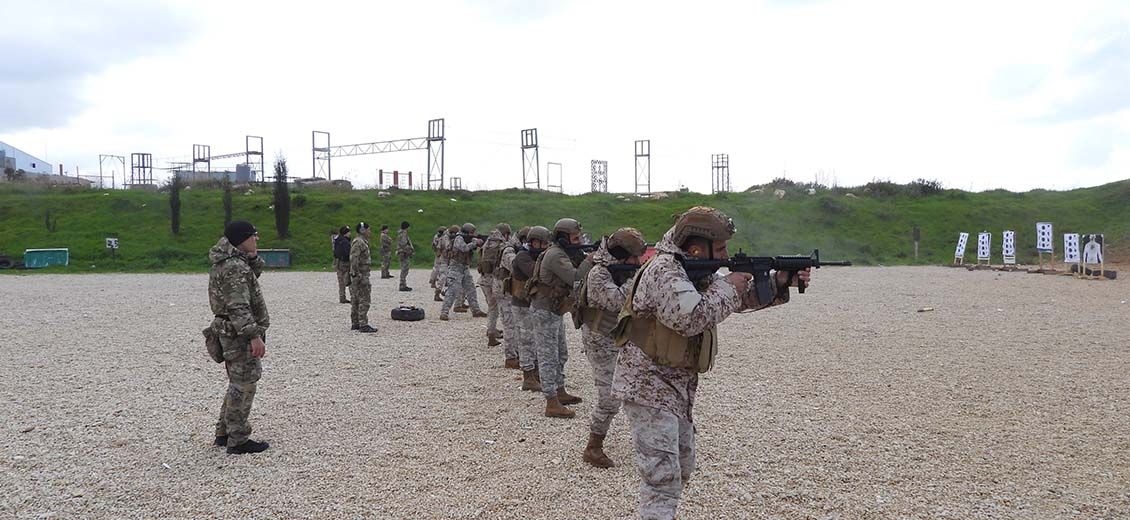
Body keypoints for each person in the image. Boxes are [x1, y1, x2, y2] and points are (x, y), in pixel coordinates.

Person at [610, 206, 809, 519]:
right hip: (647, 387)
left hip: (675, 390)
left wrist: (779, 282)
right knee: (661, 481)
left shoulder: (692, 269)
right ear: (696, 246)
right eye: (721, 247)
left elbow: (736, 300)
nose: (726, 254)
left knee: (682, 466)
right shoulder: (666, 270)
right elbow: (689, 318)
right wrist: (729, 284)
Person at [576, 227, 647, 468]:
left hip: (620, 336)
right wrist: (638, 281)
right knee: (609, 397)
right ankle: (593, 446)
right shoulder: (598, 273)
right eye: (634, 257)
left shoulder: (619, 270)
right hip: (600, 342)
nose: (638, 262)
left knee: (638, 388)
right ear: (619, 255)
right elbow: (615, 300)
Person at [207, 220, 270, 454]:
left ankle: (224, 432)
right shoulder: (234, 266)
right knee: (244, 383)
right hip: (238, 333)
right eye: (253, 236)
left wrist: (252, 256)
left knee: (237, 381)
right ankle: (238, 438)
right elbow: (238, 306)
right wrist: (254, 336)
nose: (257, 239)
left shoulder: (234, 262)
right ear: (242, 238)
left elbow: (253, 274)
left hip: (231, 330)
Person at [527, 218, 585, 418]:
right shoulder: (555, 255)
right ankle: (551, 401)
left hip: (554, 310)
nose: (578, 241)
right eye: (575, 238)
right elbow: (576, 277)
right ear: (564, 238)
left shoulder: (561, 253)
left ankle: (560, 391)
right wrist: (591, 260)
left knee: (561, 353)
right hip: (545, 311)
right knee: (548, 357)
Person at [508, 226, 542, 391]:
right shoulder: (522, 256)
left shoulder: (528, 254)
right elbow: (534, 272)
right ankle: (528, 376)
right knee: (526, 340)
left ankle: (535, 373)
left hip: (530, 304)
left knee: (534, 340)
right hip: (522, 304)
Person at [440, 223, 488, 320]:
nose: (473, 234)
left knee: (471, 289)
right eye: (471, 233)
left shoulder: (468, 238)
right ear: (467, 232)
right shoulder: (459, 238)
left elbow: (473, 245)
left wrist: (479, 242)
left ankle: (476, 310)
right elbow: (464, 248)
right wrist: (475, 243)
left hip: (465, 267)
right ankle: (444, 312)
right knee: (452, 290)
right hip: (455, 267)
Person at [495, 226, 526, 368]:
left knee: (515, 324)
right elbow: (515, 266)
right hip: (504, 291)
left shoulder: (515, 247)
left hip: (509, 290)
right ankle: (510, 358)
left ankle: (516, 353)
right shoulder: (509, 249)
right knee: (510, 324)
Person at [479, 223, 511, 346]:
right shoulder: (502, 245)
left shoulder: (487, 242)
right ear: (506, 233)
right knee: (495, 309)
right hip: (494, 281)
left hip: (483, 279)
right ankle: (491, 333)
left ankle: (491, 329)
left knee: (491, 307)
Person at [350, 222, 377, 333]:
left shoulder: (361, 242)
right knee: (364, 299)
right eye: (368, 229)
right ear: (362, 230)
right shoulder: (359, 242)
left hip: (360, 273)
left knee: (356, 298)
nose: (369, 232)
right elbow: (354, 259)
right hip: (361, 274)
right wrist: (357, 273)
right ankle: (363, 324)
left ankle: (356, 323)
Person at [332, 226, 352, 304]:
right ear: (345, 233)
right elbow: (348, 252)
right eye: (349, 232)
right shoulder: (345, 241)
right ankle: (353, 296)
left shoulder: (337, 240)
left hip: (338, 262)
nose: (350, 233)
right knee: (349, 280)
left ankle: (342, 297)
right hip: (346, 262)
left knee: (341, 281)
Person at [397, 221, 415, 291]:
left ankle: (403, 284)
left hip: (403, 253)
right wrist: (410, 251)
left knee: (404, 269)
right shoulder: (403, 234)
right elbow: (404, 244)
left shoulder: (401, 233)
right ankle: (402, 285)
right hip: (404, 253)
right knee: (404, 269)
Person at [429, 226, 446, 294]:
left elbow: (433, 245)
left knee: (435, 268)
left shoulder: (436, 236)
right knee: (441, 269)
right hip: (441, 254)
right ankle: (436, 282)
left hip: (437, 253)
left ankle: (433, 281)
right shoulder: (443, 237)